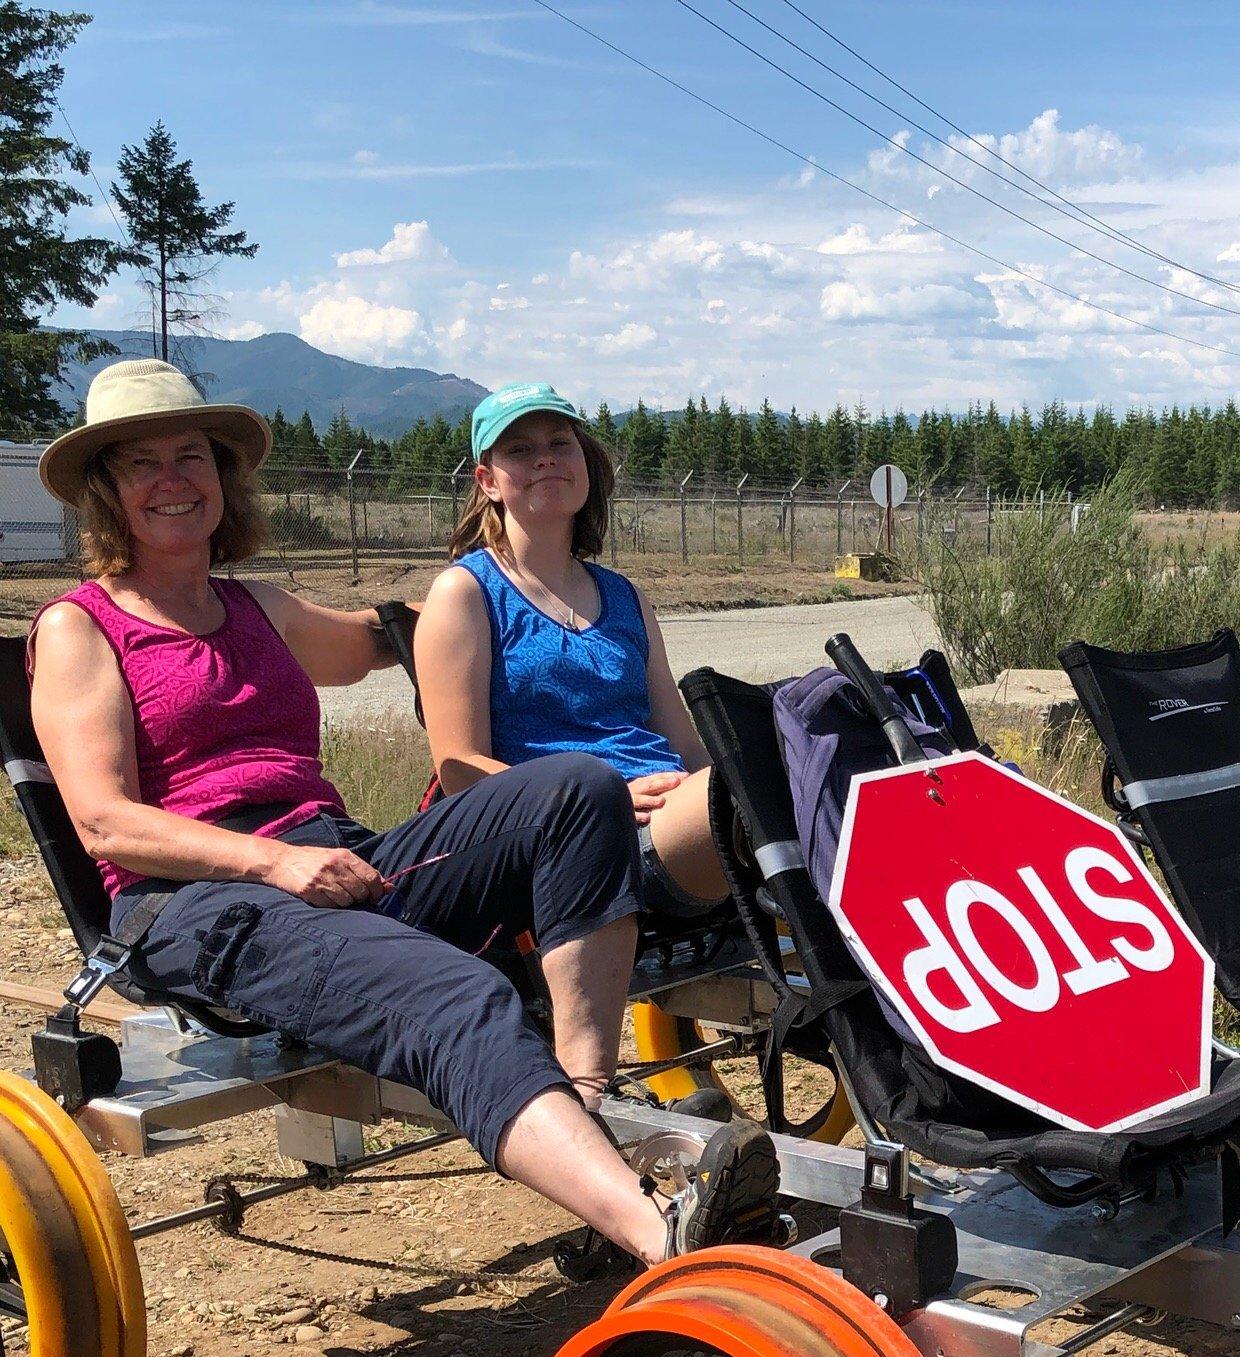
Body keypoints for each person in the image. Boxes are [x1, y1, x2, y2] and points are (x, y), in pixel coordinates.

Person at [27, 357, 777, 1263]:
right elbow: (103, 821)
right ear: (107, 492)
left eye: (191, 456)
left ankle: (585, 1097)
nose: (173, 480)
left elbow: (381, 638)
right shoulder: (82, 626)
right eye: (142, 464)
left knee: (575, 785)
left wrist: (495, 596)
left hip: (339, 860)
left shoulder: (257, 605)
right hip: (198, 900)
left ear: (223, 478)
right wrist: (271, 862)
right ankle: (653, 1235)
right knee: (457, 990)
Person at [411, 383, 727, 927]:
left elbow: (681, 738)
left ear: (585, 465)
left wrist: (734, 778)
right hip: (585, 843)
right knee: (757, 808)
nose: (544, 458)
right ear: (487, 481)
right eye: (518, 449)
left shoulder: (625, 597)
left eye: (561, 443)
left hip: (680, 814)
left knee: (802, 777)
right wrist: (598, 800)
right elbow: (460, 770)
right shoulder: (465, 594)